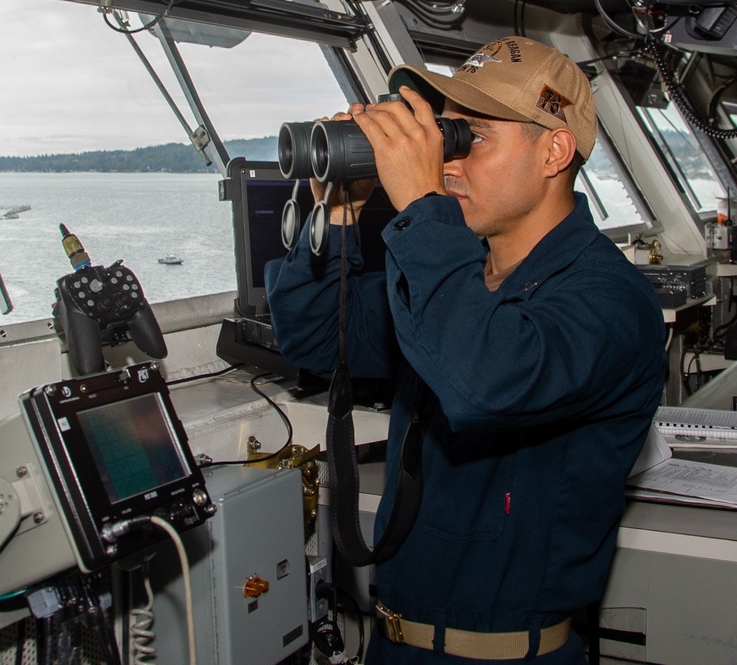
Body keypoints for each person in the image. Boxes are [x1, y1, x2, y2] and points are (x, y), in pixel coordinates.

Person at [265, 36, 665, 664]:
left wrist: (424, 207)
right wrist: (339, 215)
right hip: (395, 643)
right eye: (444, 139)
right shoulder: (456, 278)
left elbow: (490, 377)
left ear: (554, 150)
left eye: (470, 139)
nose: (447, 163)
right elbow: (316, 337)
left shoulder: (611, 302)